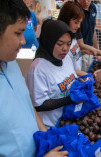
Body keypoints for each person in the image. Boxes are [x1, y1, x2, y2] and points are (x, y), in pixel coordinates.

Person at [0, 0, 67, 156]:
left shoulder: (11, 64)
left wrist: (44, 133)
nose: (23, 41)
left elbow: (27, 103)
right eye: (18, 33)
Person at [26, 19, 85, 128]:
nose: (65, 49)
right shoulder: (38, 70)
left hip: (68, 118)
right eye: (60, 44)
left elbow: (70, 77)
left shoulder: (66, 58)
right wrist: (70, 99)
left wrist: (78, 83)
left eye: (68, 44)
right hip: (52, 127)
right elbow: (39, 104)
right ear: (49, 42)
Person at [74, 0, 101, 72]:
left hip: (89, 51)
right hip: (78, 53)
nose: (86, 2)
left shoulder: (93, 8)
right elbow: (80, 44)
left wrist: (97, 51)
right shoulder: (75, 12)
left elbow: (93, 30)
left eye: (88, 0)